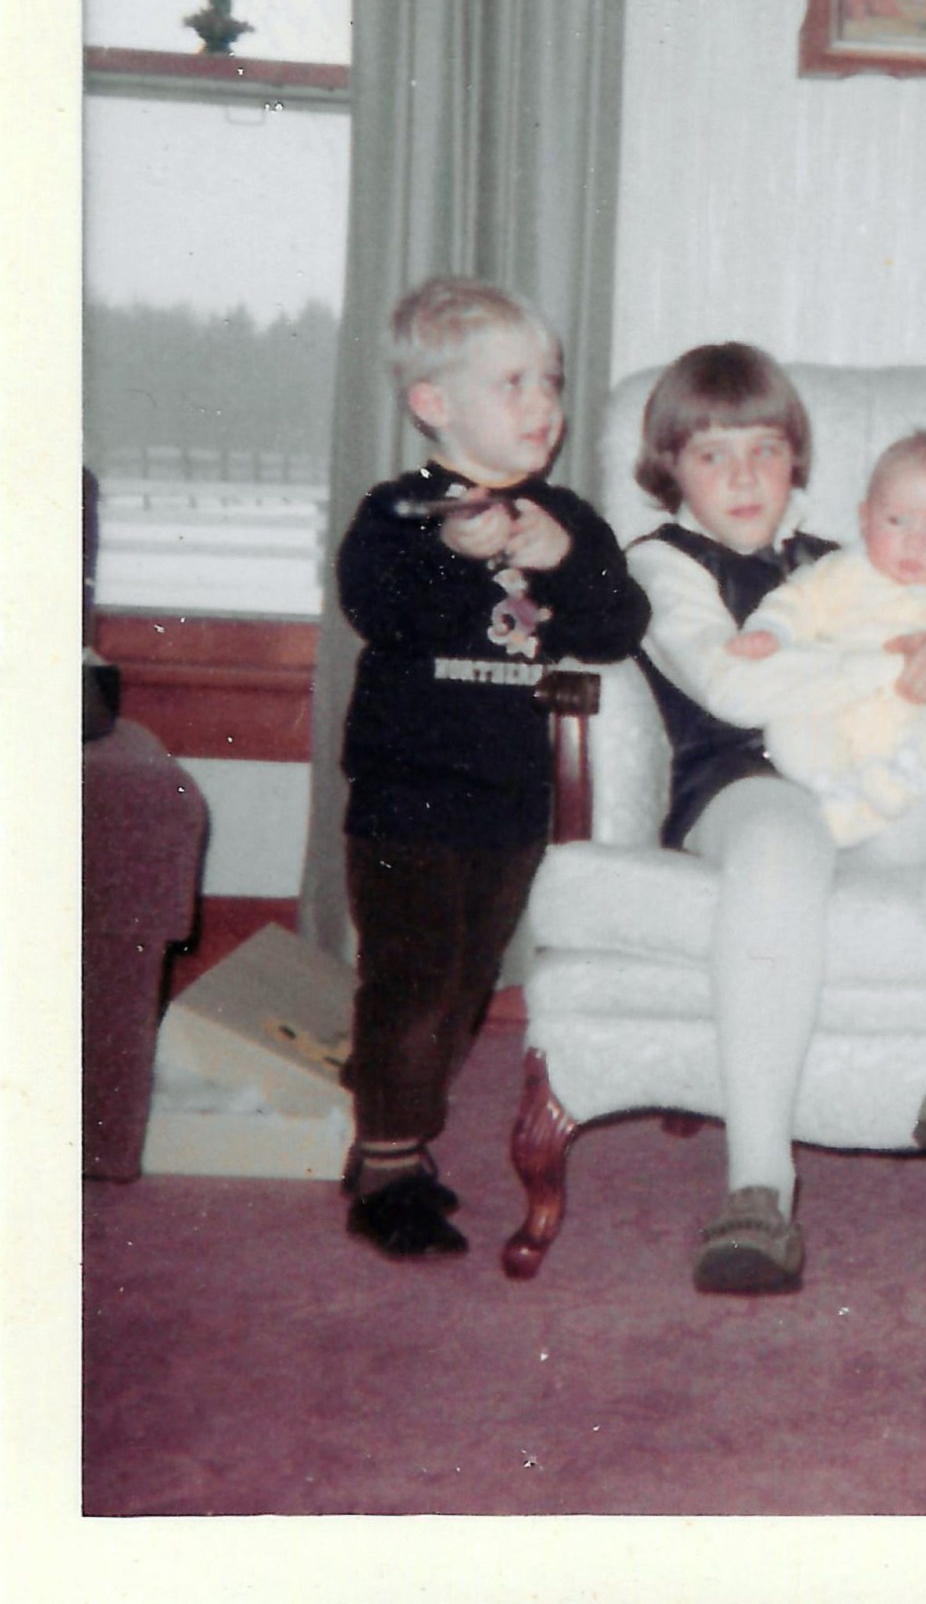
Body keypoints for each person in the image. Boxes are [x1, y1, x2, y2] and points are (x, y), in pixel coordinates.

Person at [624, 345, 926, 1296]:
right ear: (670, 465)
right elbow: (733, 681)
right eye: (714, 455)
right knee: (780, 843)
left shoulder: (850, 558)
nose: (746, 475)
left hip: (875, 780)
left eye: (766, 449)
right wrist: (903, 657)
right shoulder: (659, 563)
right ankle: (758, 1183)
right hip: (739, 785)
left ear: (798, 459)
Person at [337, 279, 649, 1259]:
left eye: (548, 381)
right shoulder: (396, 512)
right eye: (510, 382)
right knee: (410, 982)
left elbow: (616, 626)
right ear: (434, 402)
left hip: (510, 795)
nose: (541, 403)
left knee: (469, 979)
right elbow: (378, 608)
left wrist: (562, 558)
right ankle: (386, 1162)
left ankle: (402, 1134)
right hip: (405, 790)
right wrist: (448, 551)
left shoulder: (563, 514)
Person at [727, 430, 926, 847]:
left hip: (916, 711)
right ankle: (835, 789)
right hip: (840, 702)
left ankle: (907, 777)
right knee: (789, 721)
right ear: (865, 519)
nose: (914, 542)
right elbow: (796, 603)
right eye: (896, 521)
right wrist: (769, 632)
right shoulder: (842, 571)